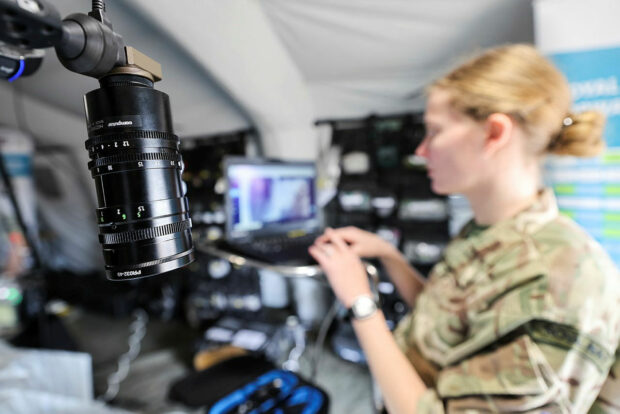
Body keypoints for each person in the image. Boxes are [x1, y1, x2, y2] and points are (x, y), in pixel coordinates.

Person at [309, 44, 620, 413]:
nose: (421, 151)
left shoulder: (556, 280)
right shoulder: (486, 230)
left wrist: (360, 303)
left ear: (494, 133)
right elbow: (451, 318)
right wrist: (389, 256)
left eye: (435, 132)